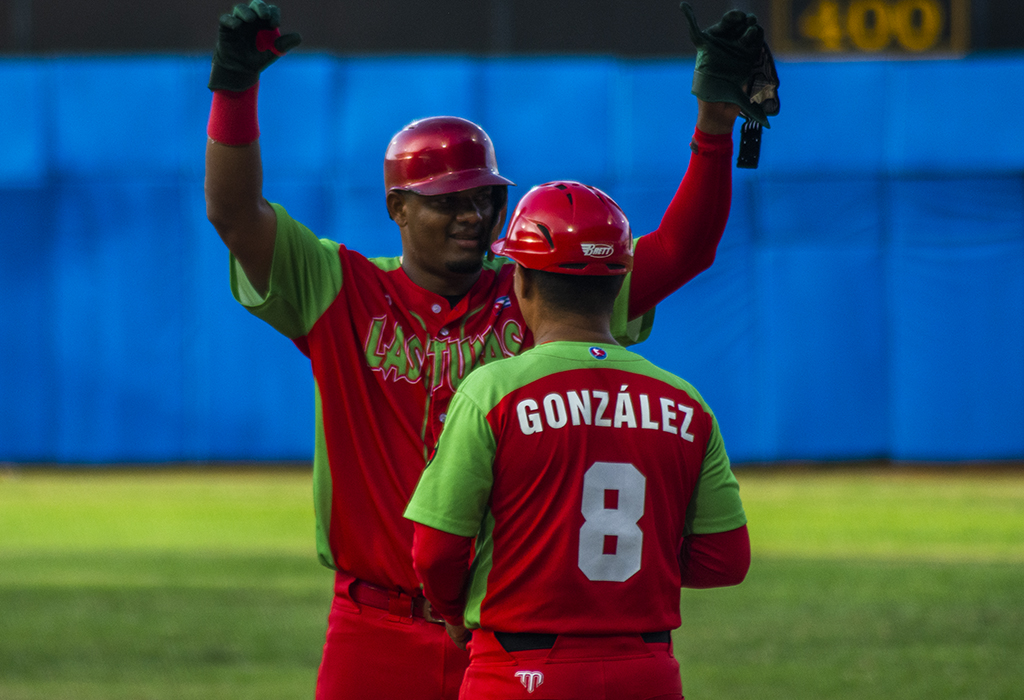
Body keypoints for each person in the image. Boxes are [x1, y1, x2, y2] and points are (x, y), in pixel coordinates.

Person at [203, 2, 767, 698]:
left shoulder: (543, 290)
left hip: (505, 632)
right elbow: (234, 214)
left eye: (485, 199)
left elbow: (684, 248)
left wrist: (715, 125)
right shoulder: (335, 287)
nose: (473, 215)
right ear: (397, 206)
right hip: (374, 624)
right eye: (448, 200)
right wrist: (234, 89)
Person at [404, 181, 750, 700]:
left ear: (521, 280)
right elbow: (726, 558)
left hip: (520, 672)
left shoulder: (492, 391)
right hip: (646, 671)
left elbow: (435, 552)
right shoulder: (686, 403)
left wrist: (455, 614)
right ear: (621, 280)